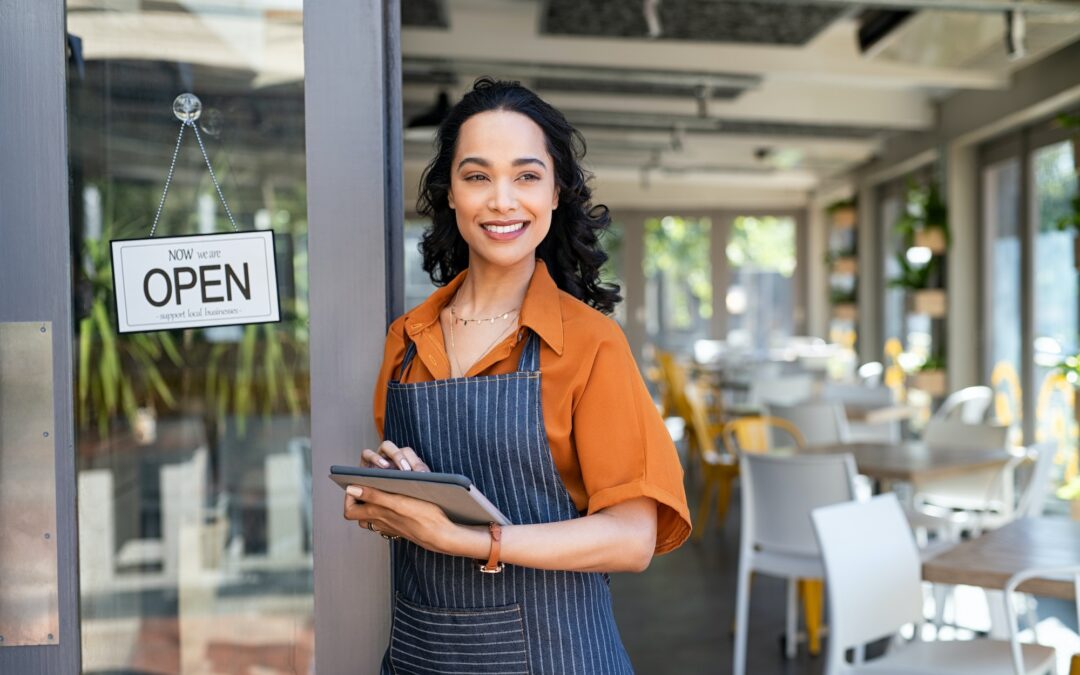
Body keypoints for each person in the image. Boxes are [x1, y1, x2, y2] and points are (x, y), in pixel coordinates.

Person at [343, 77, 691, 674]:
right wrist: (393, 498)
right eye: (477, 176)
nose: (502, 200)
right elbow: (420, 506)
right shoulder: (406, 339)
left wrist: (467, 539)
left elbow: (632, 540)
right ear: (450, 194)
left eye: (527, 176)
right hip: (424, 657)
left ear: (556, 193)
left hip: (559, 656)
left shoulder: (590, 344)